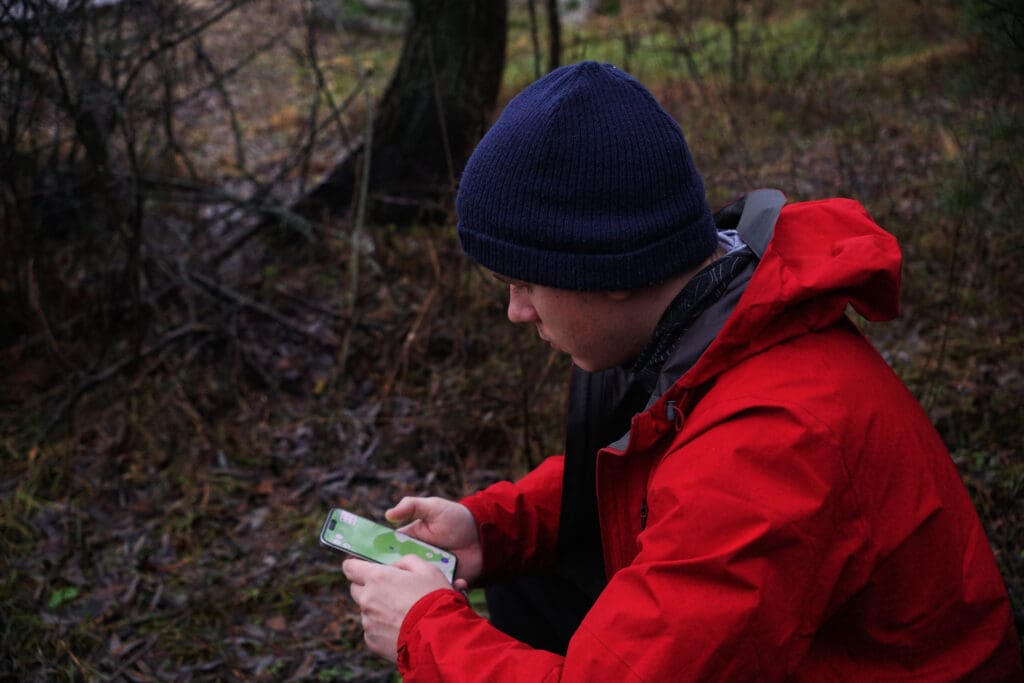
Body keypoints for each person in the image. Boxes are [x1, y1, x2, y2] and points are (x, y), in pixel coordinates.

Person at [342, 61, 1023, 681]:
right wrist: (491, 526)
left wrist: (422, 628)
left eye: (523, 283)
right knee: (527, 575)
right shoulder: (711, 323)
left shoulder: (772, 441)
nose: (515, 312)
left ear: (607, 268)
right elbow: (655, 467)